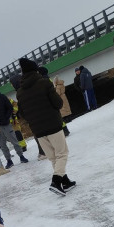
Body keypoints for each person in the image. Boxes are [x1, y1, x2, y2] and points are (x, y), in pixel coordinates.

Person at [16, 58, 75, 196]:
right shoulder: (44, 83)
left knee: (53, 157)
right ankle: (56, 181)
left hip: (38, 131)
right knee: (62, 154)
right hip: (53, 125)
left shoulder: (20, 92)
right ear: (35, 70)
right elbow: (58, 103)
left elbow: (22, 114)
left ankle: (64, 182)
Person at [0, 84, 28, 168]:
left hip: (5, 124)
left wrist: (6, 117)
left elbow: (10, 108)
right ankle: (9, 160)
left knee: (14, 141)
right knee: (2, 145)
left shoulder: (2, 97)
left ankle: (21, 156)